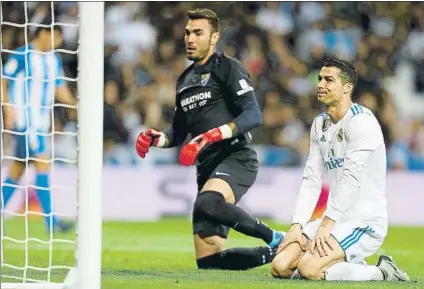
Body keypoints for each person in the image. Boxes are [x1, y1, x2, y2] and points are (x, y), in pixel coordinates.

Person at [135, 8, 285, 270]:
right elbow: (179, 133)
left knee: (208, 202)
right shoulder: (184, 80)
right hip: (206, 167)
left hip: (235, 157)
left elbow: (253, 115)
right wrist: (157, 139)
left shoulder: (227, 67)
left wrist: (215, 134)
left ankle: (276, 238)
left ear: (214, 38)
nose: (190, 39)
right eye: (187, 33)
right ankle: (280, 253)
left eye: (198, 33)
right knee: (209, 261)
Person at [271, 58, 410, 282]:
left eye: (328, 80)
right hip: (335, 218)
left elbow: (351, 181)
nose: (320, 84)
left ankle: (383, 271)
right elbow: (311, 179)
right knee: (280, 266)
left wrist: (326, 226)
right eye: (319, 79)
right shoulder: (319, 124)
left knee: (309, 269)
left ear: (347, 87)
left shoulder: (362, 122)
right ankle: (342, 263)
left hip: (363, 222)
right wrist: (297, 226)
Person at [1, 20, 75, 233]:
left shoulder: (54, 60)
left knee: (17, 169)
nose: (58, 42)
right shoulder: (22, 55)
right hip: (26, 122)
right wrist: (8, 108)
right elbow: (3, 80)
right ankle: (51, 222)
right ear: (43, 33)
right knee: (43, 163)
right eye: (56, 36)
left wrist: (76, 105)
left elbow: (59, 88)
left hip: (41, 124)